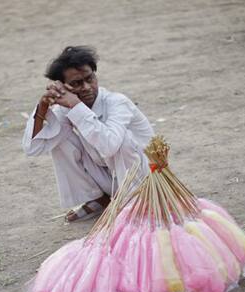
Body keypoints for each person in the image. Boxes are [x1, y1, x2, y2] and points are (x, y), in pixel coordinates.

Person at [22, 46, 154, 222]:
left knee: (122, 141)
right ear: (62, 86)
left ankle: (136, 203)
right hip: (113, 180)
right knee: (58, 139)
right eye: (76, 83)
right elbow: (33, 148)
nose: (86, 87)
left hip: (146, 180)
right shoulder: (67, 107)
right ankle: (100, 198)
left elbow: (110, 146)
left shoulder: (116, 102)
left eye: (89, 78)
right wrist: (43, 106)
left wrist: (76, 106)